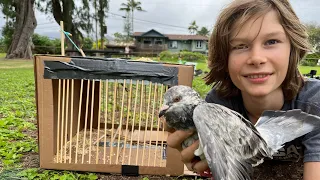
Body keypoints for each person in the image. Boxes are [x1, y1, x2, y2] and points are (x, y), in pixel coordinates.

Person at [165, 0, 320, 179]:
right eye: (240, 46)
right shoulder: (219, 105)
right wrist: (201, 160)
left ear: (292, 49)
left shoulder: (314, 102)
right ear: (225, 57)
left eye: (271, 41)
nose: (256, 58)